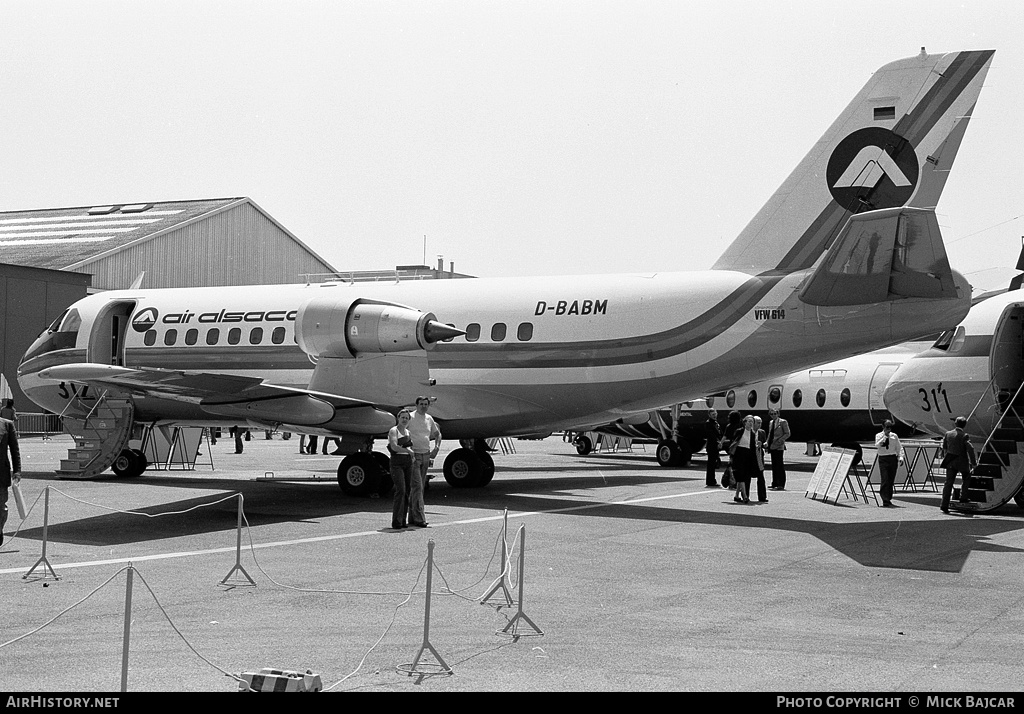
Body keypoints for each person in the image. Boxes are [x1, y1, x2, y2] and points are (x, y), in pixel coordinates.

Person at [407, 396, 441, 528]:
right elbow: (400, 432)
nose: (423, 406)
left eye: (426, 404)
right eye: (421, 404)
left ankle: (412, 517)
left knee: (418, 487)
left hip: (425, 454)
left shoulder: (429, 418)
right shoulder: (410, 417)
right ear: (416, 405)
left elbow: (437, 434)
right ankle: (420, 518)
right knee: (418, 486)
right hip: (414, 455)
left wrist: (437, 447)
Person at [940, 416, 977, 514]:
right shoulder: (964, 435)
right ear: (964, 425)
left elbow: (944, 447)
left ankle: (944, 505)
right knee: (966, 477)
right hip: (962, 462)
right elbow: (970, 448)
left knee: (948, 483)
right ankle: (963, 497)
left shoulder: (948, 434)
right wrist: (973, 463)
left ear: (955, 424)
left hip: (951, 462)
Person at [388, 409, 415, 529]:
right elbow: (394, 446)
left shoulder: (408, 432)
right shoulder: (394, 431)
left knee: (407, 491)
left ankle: (403, 520)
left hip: (407, 462)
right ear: (398, 418)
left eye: (407, 418)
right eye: (402, 417)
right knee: (401, 490)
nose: (404, 420)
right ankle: (396, 521)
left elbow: (410, 446)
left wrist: (411, 453)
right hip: (397, 462)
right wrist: (407, 450)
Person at [0, 411, 21, 546]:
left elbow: (15, 449)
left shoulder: (7, 425)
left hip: (0, 475)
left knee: (1, 507)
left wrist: (17, 471)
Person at [874, 420, 902, 507]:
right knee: (885, 479)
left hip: (892, 458)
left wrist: (900, 457)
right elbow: (877, 445)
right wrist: (885, 437)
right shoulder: (879, 435)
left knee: (890, 480)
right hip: (883, 458)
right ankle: (884, 499)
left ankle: (888, 498)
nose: (889, 429)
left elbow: (899, 447)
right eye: (887, 427)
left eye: (890, 427)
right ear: (883, 427)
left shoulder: (894, 436)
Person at [731, 415, 757, 503]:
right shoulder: (740, 431)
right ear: (744, 422)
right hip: (739, 454)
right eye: (749, 421)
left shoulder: (753, 433)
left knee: (742, 476)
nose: (751, 423)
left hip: (748, 455)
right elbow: (733, 442)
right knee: (740, 475)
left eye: (752, 422)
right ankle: (745, 496)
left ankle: (737, 495)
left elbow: (752, 447)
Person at [766, 408, 791, 490]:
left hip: (779, 446)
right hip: (772, 445)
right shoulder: (771, 422)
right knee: (774, 465)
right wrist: (767, 442)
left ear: (778, 414)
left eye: (775, 414)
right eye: (772, 414)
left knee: (779, 465)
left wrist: (781, 440)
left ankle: (781, 484)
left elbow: (787, 433)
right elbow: (770, 434)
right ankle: (774, 483)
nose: (773, 415)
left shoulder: (783, 422)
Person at [704, 409, 722, 487]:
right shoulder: (708, 423)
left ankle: (712, 480)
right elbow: (711, 435)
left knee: (713, 464)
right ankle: (710, 481)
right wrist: (717, 442)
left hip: (715, 445)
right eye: (713, 414)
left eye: (715, 414)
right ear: (709, 415)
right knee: (711, 464)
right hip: (712, 445)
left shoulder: (716, 423)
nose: (714, 416)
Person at [752, 415, 768, 503]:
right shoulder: (748, 432)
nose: (760, 425)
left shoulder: (762, 432)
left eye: (761, 423)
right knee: (747, 477)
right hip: (751, 456)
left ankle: (762, 497)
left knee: (761, 477)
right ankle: (745, 495)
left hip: (759, 457)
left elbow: (764, 441)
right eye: (758, 423)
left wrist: (765, 444)